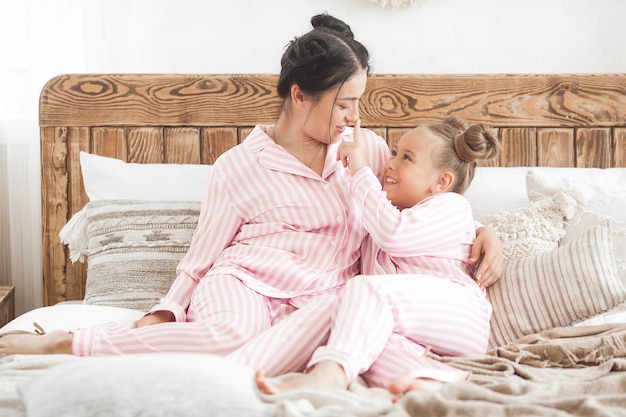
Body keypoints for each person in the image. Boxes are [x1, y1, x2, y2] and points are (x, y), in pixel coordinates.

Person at [0, 14, 502, 369]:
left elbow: (419, 202)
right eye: (345, 104)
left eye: (358, 103)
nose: (356, 117)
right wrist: (165, 310)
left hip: (322, 300)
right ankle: (69, 342)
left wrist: (484, 232)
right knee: (232, 336)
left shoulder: (367, 150)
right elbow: (201, 258)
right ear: (301, 96)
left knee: (365, 346)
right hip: (245, 284)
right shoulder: (237, 167)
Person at [255, 115, 501, 398]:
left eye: (407, 158)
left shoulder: (451, 206)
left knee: (364, 289)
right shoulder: (383, 216)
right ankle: (432, 383)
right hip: (413, 324)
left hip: (459, 314)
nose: (390, 163)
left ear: (441, 181)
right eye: (394, 152)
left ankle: (329, 375)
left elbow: (395, 234)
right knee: (366, 339)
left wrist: (360, 170)